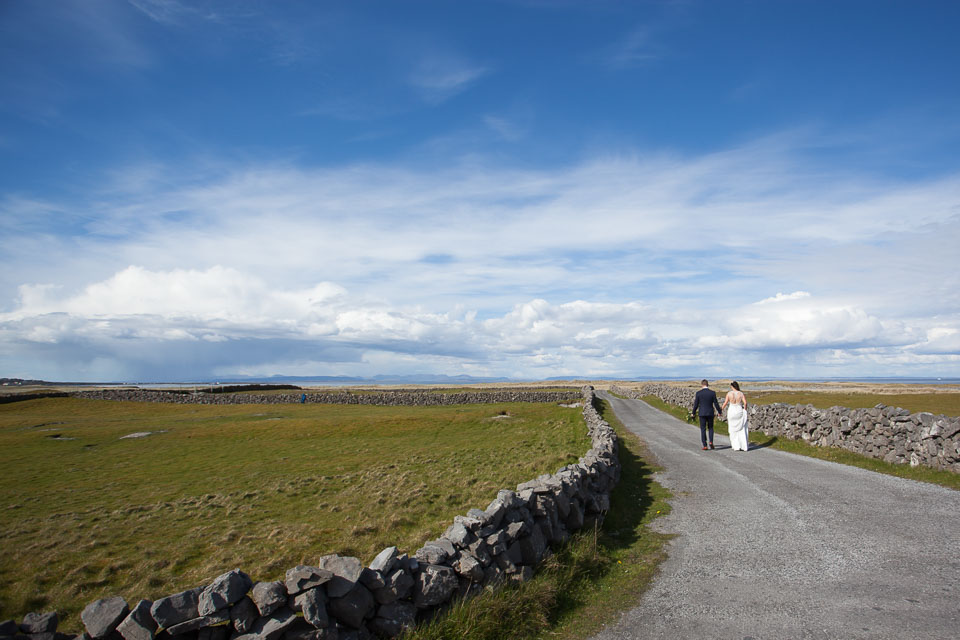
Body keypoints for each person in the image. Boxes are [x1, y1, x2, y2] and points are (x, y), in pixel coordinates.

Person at [691, 379, 721, 450]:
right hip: (710, 412)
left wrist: (693, 412)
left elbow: (696, 404)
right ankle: (711, 441)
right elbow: (716, 403)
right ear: (707, 384)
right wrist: (719, 411)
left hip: (702, 413)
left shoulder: (698, 393)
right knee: (710, 428)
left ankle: (705, 445)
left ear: (702, 385)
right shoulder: (712, 393)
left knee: (703, 429)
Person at [721, 380, 749, 451]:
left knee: (732, 429)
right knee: (741, 428)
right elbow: (745, 403)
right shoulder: (741, 394)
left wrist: (720, 410)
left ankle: (735, 446)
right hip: (739, 411)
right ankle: (742, 445)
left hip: (732, 411)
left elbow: (725, 403)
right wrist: (745, 410)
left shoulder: (729, 394)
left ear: (732, 386)